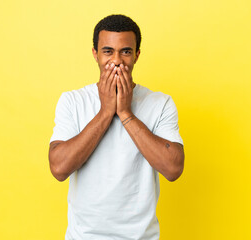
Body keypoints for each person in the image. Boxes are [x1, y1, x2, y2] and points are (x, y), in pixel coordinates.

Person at [48, 14, 185, 240]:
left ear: (137, 55)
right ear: (95, 54)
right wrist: (105, 112)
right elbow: (59, 169)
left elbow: (173, 170)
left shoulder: (160, 103)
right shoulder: (72, 101)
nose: (117, 61)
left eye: (126, 51)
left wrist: (125, 113)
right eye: (108, 51)